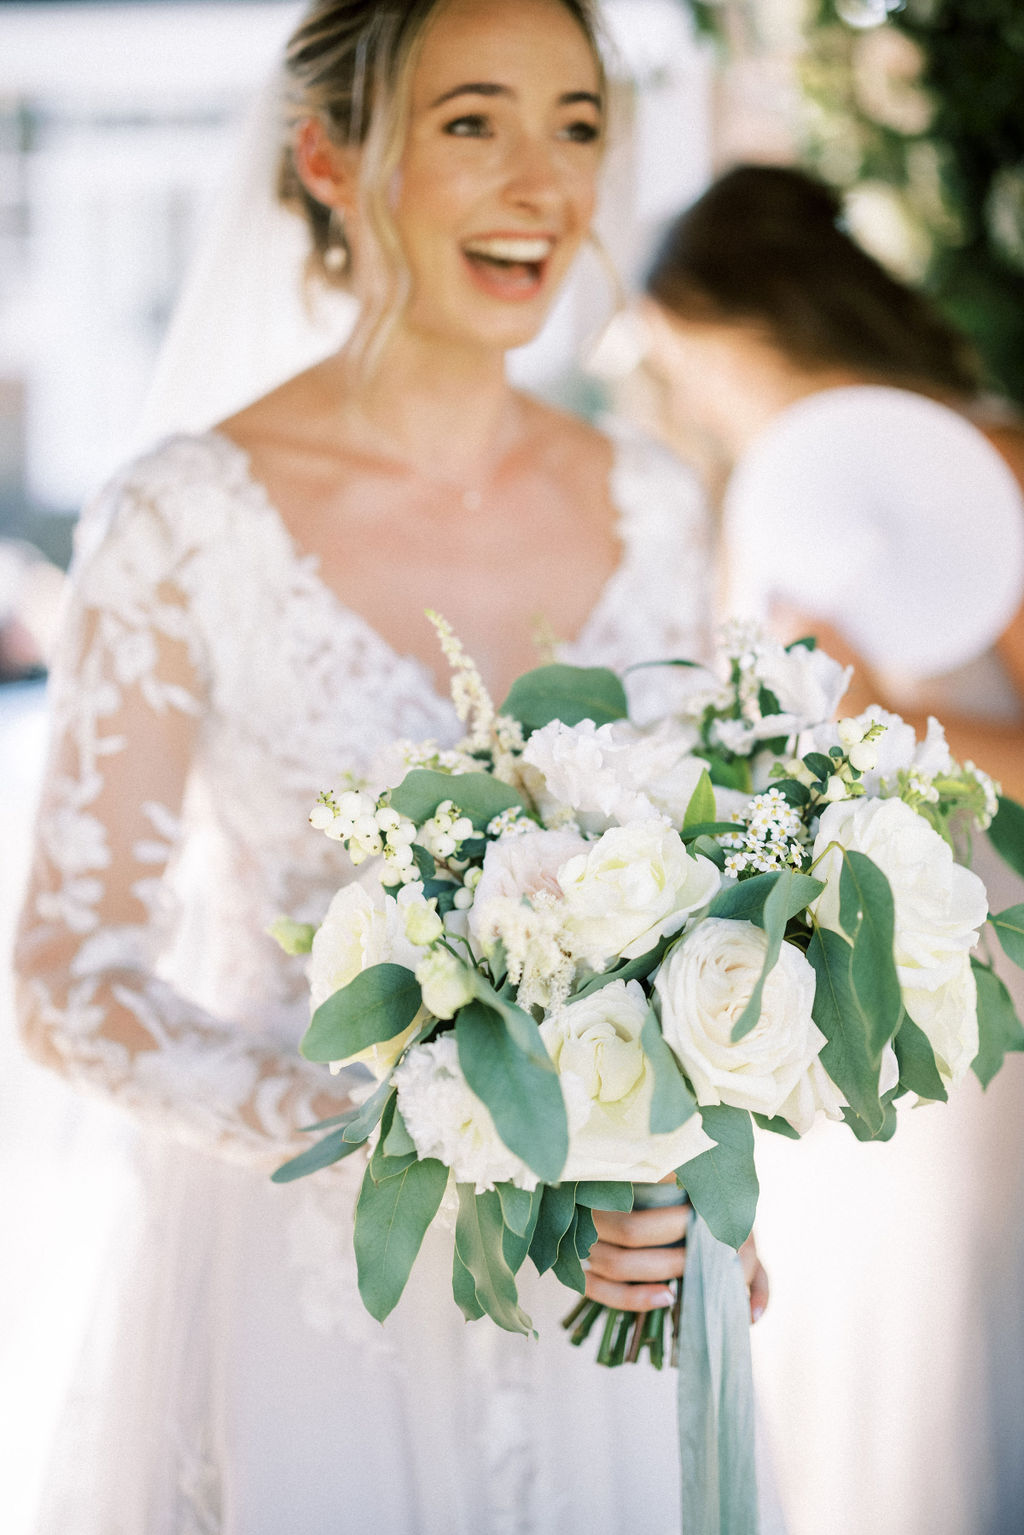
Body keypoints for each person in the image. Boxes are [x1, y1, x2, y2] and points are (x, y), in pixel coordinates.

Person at [13, 4, 769, 1532]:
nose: (544, 186)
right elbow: (64, 972)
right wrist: (414, 1128)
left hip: (604, 1294)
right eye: (472, 121)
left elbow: (717, 902)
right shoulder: (182, 518)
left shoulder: (658, 496)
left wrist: (711, 1173)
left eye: (576, 124)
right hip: (308, 1295)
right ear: (328, 156)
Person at [639, 162, 1024, 1535]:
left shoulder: (991, 462)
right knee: (847, 1325)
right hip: (820, 985)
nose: (672, 382)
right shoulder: (754, 495)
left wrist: (895, 707)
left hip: (976, 971)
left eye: (675, 346)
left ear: (731, 315)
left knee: (943, 1326)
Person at [639, 162, 1024, 797]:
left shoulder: (986, 463)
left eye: (684, 359)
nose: (687, 406)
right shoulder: (757, 503)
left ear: (768, 309)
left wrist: (882, 728)